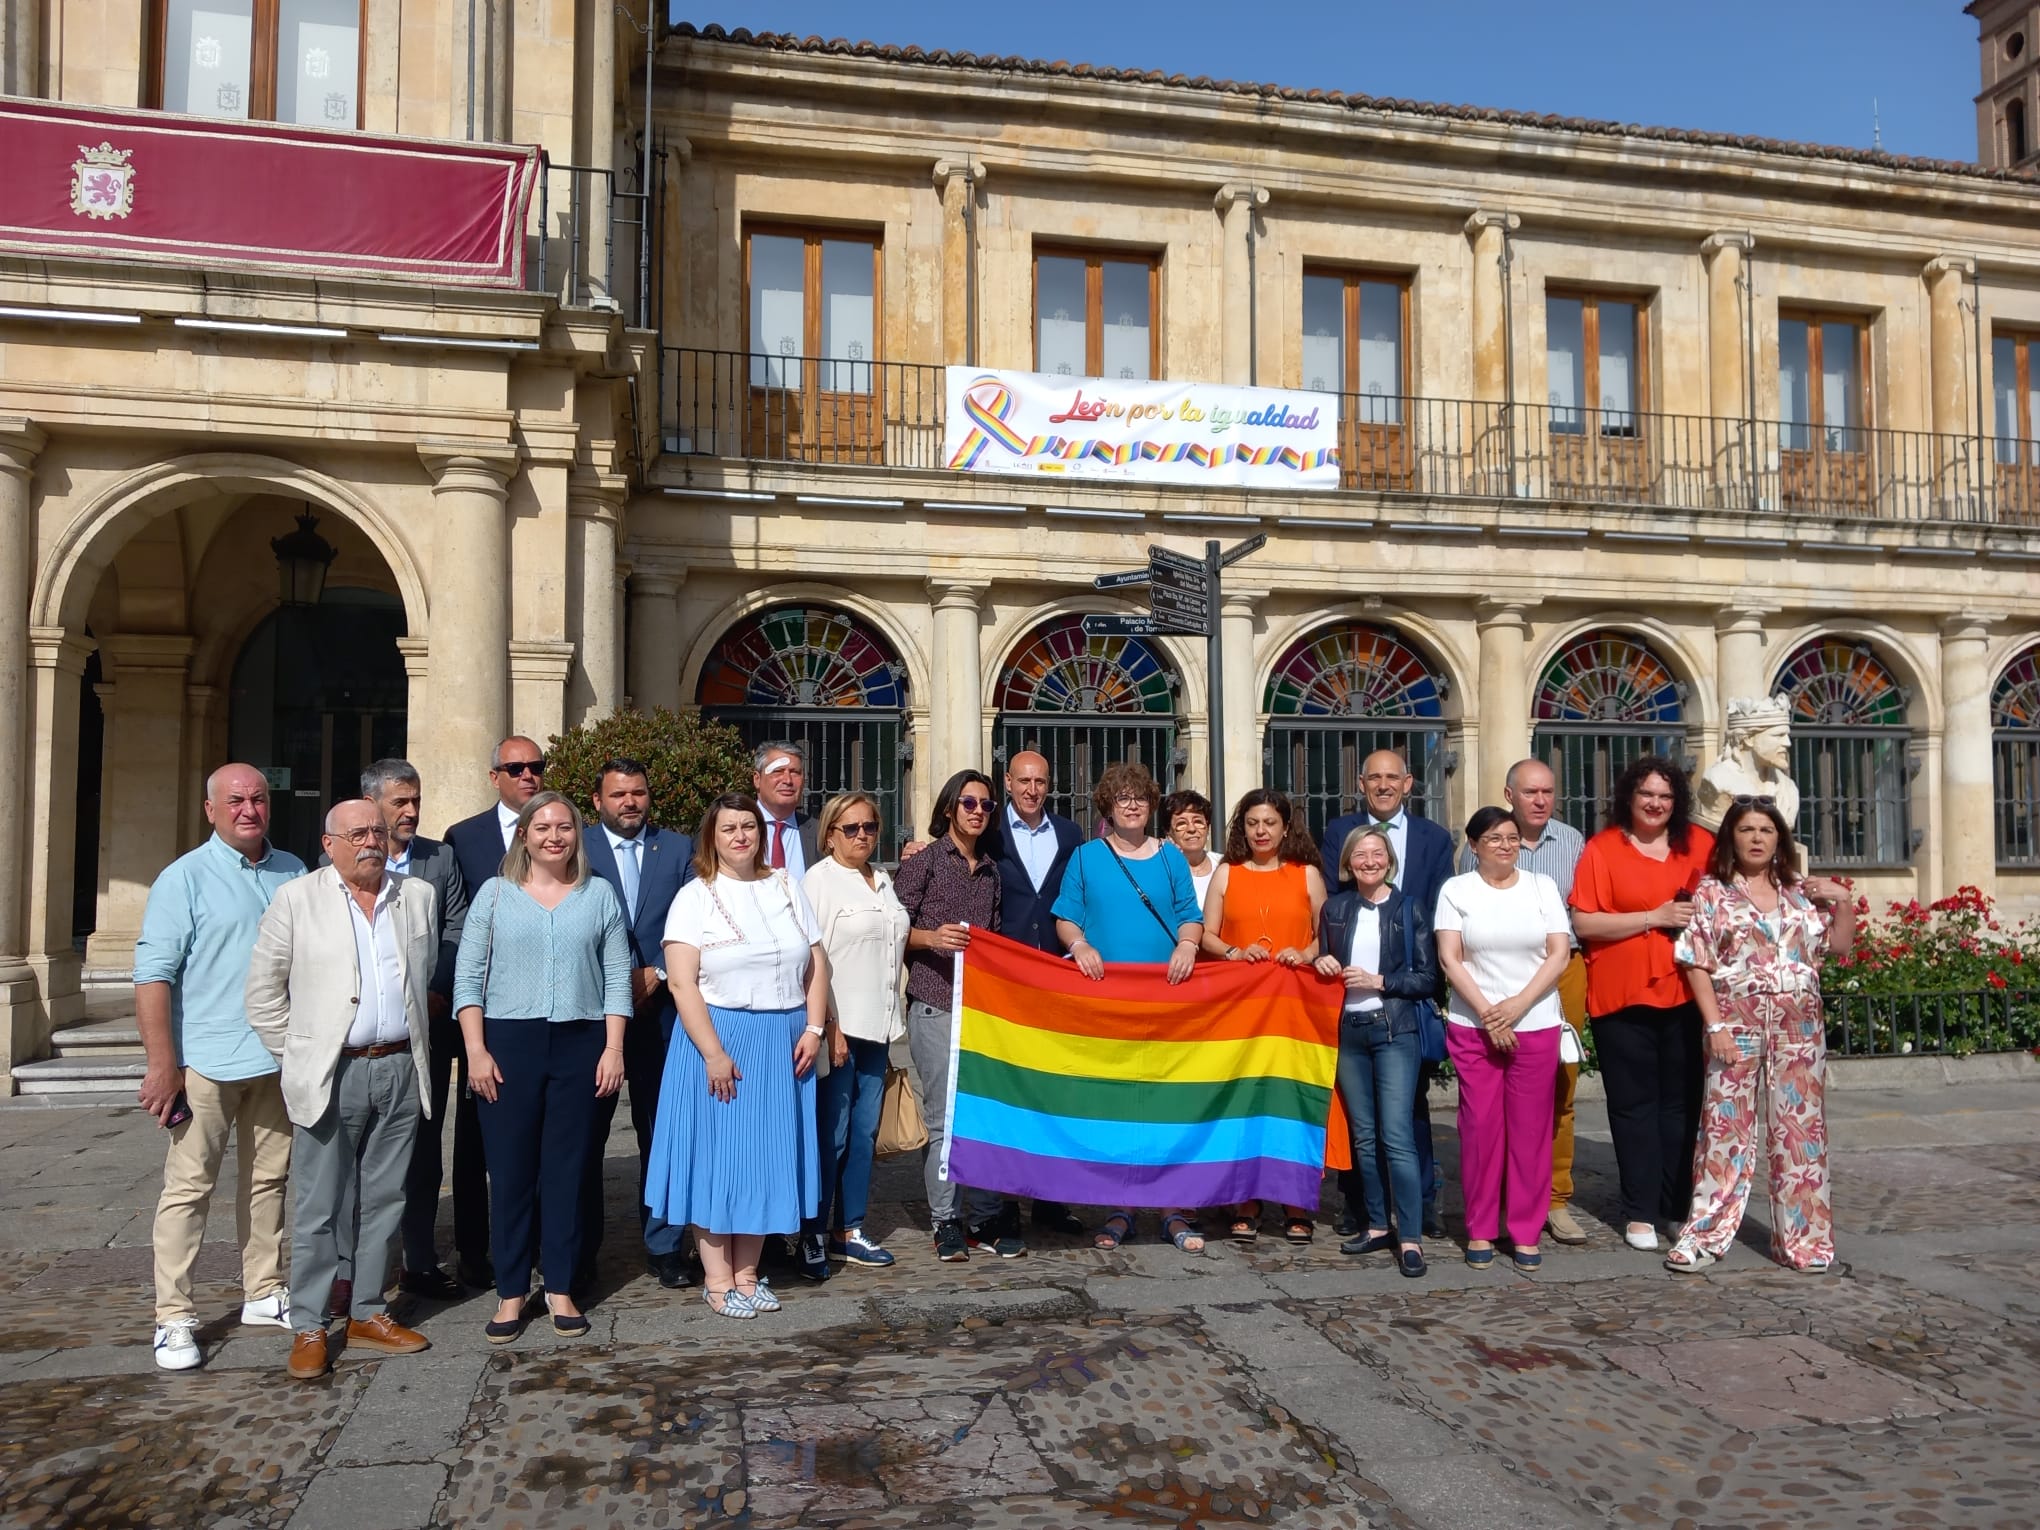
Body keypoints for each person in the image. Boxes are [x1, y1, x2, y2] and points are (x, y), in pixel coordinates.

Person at [245, 799, 436, 1380]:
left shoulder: (415, 896)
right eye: (356, 834)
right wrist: (302, 1052)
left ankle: (367, 1312)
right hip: (333, 1072)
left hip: (401, 1066)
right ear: (329, 844)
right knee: (320, 1205)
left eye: (377, 832)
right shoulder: (297, 900)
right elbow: (262, 994)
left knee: (385, 1200)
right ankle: (308, 1323)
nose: (370, 842)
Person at [135, 764, 304, 1372]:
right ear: (211, 809)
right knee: (188, 1190)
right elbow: (153, 977)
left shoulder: (294, 871)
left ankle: (264, 1290)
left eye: (258, 798)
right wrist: (162, 1065)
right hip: (204, 1061)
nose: (248, 809)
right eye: (234, 800)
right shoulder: (183, 879)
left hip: (275, 1059)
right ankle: (174, 1317)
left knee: (269, 1183)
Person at [452, 791, 629, 1343]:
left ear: (578, 834)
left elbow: (619, 977)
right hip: (508, 1044)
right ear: (523, 835)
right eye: (543, 827)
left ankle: (559, 1286)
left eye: (565, 827)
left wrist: (613, 1049)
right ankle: (510, 1291)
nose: (554, 836)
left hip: (582, 1045)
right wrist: (476, 1051)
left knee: (568, 1172)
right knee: (509, 1174)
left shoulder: (598, 894)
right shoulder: (495, 895)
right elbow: (468, 978)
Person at [646, 793, 827, 1317]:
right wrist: (713, 1052)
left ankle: (748, 1274)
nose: (741, 836)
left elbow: (816, 964)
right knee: (718, 1158)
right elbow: (681, 984)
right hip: (719, 1039)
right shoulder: (695, 896)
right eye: (729, 829)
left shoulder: (788, 887)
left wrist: (814, 1028)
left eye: (748, 826)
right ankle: (718, 1278)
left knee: (766, 1160)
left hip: (783, 1040)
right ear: (713, 837)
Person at [1667, 798, 1854, 1273]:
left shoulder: (1799, 891)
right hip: (1737, 1021)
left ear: (1779, 839)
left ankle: (1805, 1244)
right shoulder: (1712, 892)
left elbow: (1837, 946)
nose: (1756, 838)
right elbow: (1694, 962)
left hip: (1799, 1027)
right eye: (1747, 829)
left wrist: (1843, 899)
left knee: (1801, 1136)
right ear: (1731, 836)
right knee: (1724, 1132)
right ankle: (1704, 1236)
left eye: (1766, 830)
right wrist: (1715, 1027)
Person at [1052, 760, 1203, 1252]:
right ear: (1108, 807)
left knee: (1167, 1104)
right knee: (1118, 1105)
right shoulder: (1085, 858)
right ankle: (1121, 1208)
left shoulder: (1172, 857)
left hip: (1167, 1000)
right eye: (1122, 798)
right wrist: (1078, 946)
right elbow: (1067, 920)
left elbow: (1189, 915)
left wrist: (1187, 945)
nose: (1132, 804)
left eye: (1139, 796)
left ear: (1151, 803)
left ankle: (1173, 1208)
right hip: (1108, 1003)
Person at [1568, 755, 1717, 1252]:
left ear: (1676, 802)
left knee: (1681, 1106)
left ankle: (1675, 1209)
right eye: (1646, 794)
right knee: (1633, 1108)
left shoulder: (1699, 844)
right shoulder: (1602, 849)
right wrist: (1653, 916)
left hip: (1685, 992)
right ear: (1629, 797)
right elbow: (1585, 923)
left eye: (1665, 796)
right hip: (1621, 994)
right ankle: (1638, 1212)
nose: (1655, 803)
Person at [353, 759, 481, 1305]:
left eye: (416, 801)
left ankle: (421, 1260)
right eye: (400, 802)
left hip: (427, 1025)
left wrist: (436, 988)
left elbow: (458, 926)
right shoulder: (341, 856)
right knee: (360, 1156)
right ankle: (354, 1269)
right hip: (364, 1033)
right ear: (372, 804)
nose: (411, 811)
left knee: (424, 1147)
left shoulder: (440, 857)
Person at [1316, 748, 1453, 1239]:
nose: (1383, 785)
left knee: (1409, 1114)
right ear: (1362, 783)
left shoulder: (1435, 838)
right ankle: (1361, 1210)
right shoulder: (1338, 832)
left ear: (1409, 782)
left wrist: (1419, 981)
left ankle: (1420, 1208)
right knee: (1360, 1121)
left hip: (1405, 1000)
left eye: (1392, 777)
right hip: (1352, 1006)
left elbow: (1438, 911)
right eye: (1374, 777)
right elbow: (1334, 905)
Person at [1435, 806, 1573, 1271]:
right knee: (1480, 1130)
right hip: (1474, 1026)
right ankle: (1479, 1227)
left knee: (1531, 1133)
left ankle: (1526, 1230)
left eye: (1512, 837)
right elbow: (1451, 958)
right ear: (1474, 846)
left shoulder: (1542, 886)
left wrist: (1516, 1007)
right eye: (1494, 838)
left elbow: (1558, 954)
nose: (1505, 845)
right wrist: (1490, 1014)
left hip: (1534, 1022)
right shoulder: (1457, 889)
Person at [1457, 759, 1589, 1247]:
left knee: (1559, 1092)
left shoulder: (1573, 842)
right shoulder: (1474, 851)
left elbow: (1576, 918)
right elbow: (1459, 931)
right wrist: (1494, 1006)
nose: (1541, 799)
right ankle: (1496, 1210)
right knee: (1487, 1115)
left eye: (1548, 791)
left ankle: (1553, 1200)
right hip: (1485, 989)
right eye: (1531, 791)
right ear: (1509, 793)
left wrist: (1524, 1000)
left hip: (1557, 974)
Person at [581, 757, 697, 1290]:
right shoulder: (573, 845)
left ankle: (665, 1244)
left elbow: (702, 920)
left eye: (638, 793)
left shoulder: (676, 849)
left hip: (663, 1015)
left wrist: (654, 972)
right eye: (619, 794)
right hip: (590, 1016)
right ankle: (581, 1249)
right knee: (584, 1137)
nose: (630, 802)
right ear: (598, 800)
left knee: (662, 1132)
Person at [894, 770, 1019, 1262]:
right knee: (944, 1120)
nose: (976, 811)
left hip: (979, 1011)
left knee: (982, 1116)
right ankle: (946, 1222)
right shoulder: (924, 862)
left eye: (986, 806)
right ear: (949, 807)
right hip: (934, 1003)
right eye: (968, 802)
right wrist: (931, 937)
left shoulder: (990, 871)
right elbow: (893, 930)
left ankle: (986, 1218)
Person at [1202, 788, 1328, 1245]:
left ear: (1285, 827)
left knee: (1290, 1102)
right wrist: (1235, 951)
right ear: (1243, 827)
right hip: (1242, 1010)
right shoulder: (1227, 874)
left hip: (1295, 1008)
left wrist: (1305, 952)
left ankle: (1296, 1202)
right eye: (1253, 823)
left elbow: (1327, 934)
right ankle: (1246, 1201)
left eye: (1269, 823)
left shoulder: (1307, 874)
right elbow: (1207, 935)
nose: (1261, 831)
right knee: (1247, 1101)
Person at [1316, 824, 1435, 1277]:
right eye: (1360, 854)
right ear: (1348, 863)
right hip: (1349, 1032)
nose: (1369, 860)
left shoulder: (1409, 908)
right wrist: (1321, 961)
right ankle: (1375, 1224)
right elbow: (1324, 966)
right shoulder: (1336, 908)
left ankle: (1409, 1236)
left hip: (1394, 1031)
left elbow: (1427, 979)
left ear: (1389, 860)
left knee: (1397, 1136)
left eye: (1377, 853)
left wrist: (1381, 981)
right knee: (1363, 1136)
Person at [976, 750, 1086, 1236]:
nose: (1032, 790)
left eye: (1040, 781)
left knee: (1056, 1088)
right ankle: (1002, 1204)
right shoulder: (989, 832)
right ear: (1008, 782)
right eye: (1023, 781)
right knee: (1008, 1089)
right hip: (1006, 977)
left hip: (1058, 974)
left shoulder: (1070, 834)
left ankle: (1051, 1200)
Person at [802, 792, 910, 1269]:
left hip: (880, 1028)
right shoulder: (820, 882)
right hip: (837, 1030)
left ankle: (851, 1228)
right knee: (834, 1133)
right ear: (830, 835)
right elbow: (811, 960)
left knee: (864, 1133)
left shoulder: (882, 880)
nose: (862, 835)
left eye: (869, 827)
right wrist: (832, 1026)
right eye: (851, 829)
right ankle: (812, 1231)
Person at [444, 735, 549, 897]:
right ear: (495, 779)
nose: (528, 776)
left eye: (536, 767)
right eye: (515, 768)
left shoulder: (572, 833)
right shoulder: (462, 838)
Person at [753, 741, 820, 877]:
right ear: (757, 779)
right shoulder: (729, 829)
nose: (788, 780)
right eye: (778, 771)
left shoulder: (819, 833)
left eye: (795, 772)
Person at [1162, 789, 1220, 907]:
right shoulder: (1163, 871)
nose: (1192, 829)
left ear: (1207, 828)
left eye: (1198, 821)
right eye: (1181, 824)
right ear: (1169, 833)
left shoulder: (1223, 865)